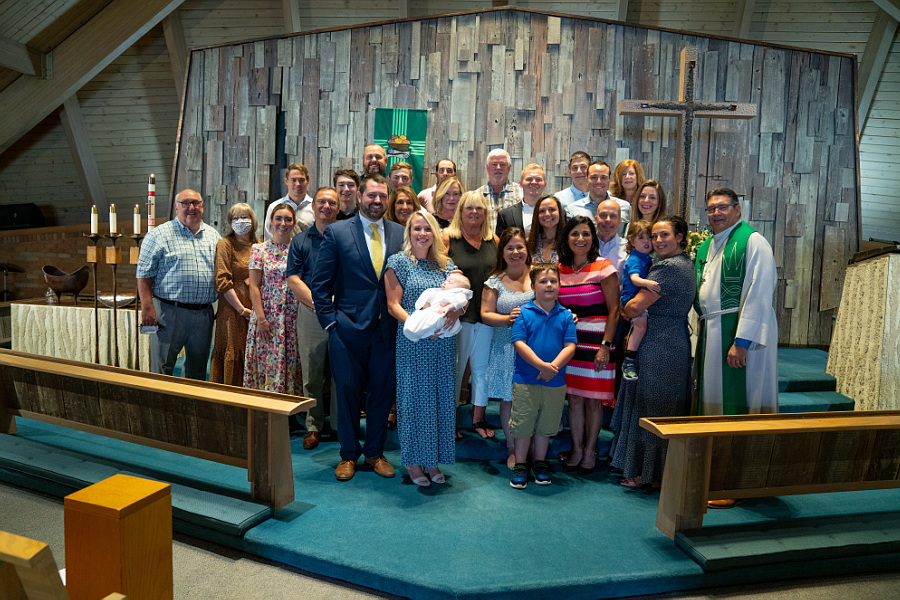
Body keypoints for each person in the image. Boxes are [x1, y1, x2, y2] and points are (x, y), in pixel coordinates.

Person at [310, 173, 403, 482]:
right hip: (346, 329)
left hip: (387, 330)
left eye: (382, 196)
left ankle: (375, 452)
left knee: (382, 393)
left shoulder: (400, 233)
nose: (377, 201)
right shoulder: (337, 232)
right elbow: (320, 285)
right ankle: (348, 454)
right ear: (360, 197)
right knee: (347, 391)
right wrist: (331, 323)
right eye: (371, 195)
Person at [611, 216, 695, 489]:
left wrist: (626, 309)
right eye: (654, 235)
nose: (658, 240)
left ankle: (647, 474)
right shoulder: (684, 263)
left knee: (651, 407)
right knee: (663, 405)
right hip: (673, 340)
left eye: (664, 235)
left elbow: (634, 307)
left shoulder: (668, 268)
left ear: (679, 237)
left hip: (659, 343)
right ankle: (657, 471)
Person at [385, 211, 464, 486]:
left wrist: (457, 311)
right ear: (409, 232)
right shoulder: (398, 262)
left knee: (440, 398)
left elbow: (461, 296)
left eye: (427, 229)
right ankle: (412, 461)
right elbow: (393, 305)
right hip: (414, 341)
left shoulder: (446, 264)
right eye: (417, 228)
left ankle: (432, 460)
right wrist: (421, 326)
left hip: (443, 342)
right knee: (414, 400)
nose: (422, 233)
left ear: (434, 233)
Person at [695, 188, 778, 417]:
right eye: (711, 208)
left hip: (740, 333)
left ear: (737, 210)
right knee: (712, 394)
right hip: (711, 331)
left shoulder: (753, 241)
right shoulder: (707, 245)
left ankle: (741, 439)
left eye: (723, 207)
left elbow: (760, 292)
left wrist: (742, 342)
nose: (716, 213)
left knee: (742, 394)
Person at [557, 216, 620, 473]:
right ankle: (577, 448)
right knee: (573, 399)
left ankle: (591, 449)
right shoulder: (560, 269)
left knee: (593, 401)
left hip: (597, 342)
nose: (580, 239)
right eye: (575, 233)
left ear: (593, 238)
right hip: (570, 343)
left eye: (585, 233)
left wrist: (605, 345)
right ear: (567, 238)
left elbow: (615, 310)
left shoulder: (603, 267)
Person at [136, 189, 220, 379]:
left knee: (197, 371)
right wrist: (147, 308)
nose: (191, 207)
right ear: (176, 207)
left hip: (203, 314)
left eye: (196, 203)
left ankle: (192, 400)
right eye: (185, 203)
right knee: (163, 369)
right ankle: (159, 400)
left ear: (202, 207)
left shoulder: (213, 236)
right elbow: (143, 275)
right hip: (169, 312)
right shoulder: (158, 235)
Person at [508, 264, 577, 489]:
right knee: (523, 423)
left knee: (546, 425)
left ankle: (540, 462)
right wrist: (541, 366)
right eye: (543, 281)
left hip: (555, 381)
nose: (549, 285)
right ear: (533, 286)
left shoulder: (566, 316)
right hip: (526, 379)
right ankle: (520, 464)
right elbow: (519, 342)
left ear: (560, 285)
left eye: (553, 281)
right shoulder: (524, 313)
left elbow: (570, 345)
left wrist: (553, 367)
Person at [286, 187, 340, 450]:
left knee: (342, 372)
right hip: (311, 311)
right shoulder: (300, 240)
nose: (326, 206)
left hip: (342, 311)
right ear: (314, 206)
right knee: (312, 372)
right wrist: (319, 303)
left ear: (338, 208)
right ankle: (313, 426)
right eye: (322, 201)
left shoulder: (347, 237)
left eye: (332, 202)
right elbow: (293, 278)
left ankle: (340, 425)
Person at [442, 192, 499, 438]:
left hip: (486, 317)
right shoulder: (448, 238)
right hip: (458, 317)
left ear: (485, 213)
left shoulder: (493, 240)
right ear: (460, 211)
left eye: (479, 208)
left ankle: (478, 419)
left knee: (481, 371)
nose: (474, 212)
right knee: (455, 372)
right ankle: (449, 421)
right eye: (469, 208)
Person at [481, 227, 534, 468]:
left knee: (532, 398)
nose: (515, 252)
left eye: (520, 247)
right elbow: (485, 314)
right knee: (509, 399)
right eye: (510, 248)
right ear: (502, 252)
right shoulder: (494, 281)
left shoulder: (539, 274)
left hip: (536, 347)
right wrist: (507, 319)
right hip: (506, 347)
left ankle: (530, 446)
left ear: (527, 250)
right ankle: (512, 447)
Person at [243, 204, 298, 394]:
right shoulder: (259, 249)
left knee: (291, 361)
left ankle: (289, 405)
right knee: (266, 360)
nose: (283, 223)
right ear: (271, 222)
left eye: (288, 219)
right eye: (279, 218)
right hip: (267, 314)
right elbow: (254, 286)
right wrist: (261, 318)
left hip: (291, 315)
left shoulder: (298, 248)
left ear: (294, 223)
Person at [210, 203, 258, 386]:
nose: (240, 221)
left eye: (244, 217)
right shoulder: (226, 244)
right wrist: (241, 310)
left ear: (252, 220)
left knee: (252, 350)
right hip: (233, 308)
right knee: (233, 349)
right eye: (235, 218)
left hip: (255, 307)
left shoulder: (259, 245)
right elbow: (221, 281)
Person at [619, 220, 658, 381]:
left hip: (638, 297)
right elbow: (634, 278)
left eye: (649, 237)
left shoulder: (646, 258)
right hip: (631, 298)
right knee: (640, 326)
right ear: (631, 240)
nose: (646, 241)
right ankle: (628, 361)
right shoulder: (635, 259)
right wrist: (647, 283)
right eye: (641, 238)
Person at [403, 272, 472, 342]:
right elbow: (428, 301)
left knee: (431, 323)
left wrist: (450, 307)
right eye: (446, 281)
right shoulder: (440, 292)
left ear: (459, 288)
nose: (445, 283)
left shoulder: (458, 293)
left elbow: (462, 301)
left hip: (443, 314)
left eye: (450, 282)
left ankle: (416, 332)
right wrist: (425, 308)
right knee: (420, 319)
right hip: (433, 311)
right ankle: (415, 331)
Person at [566, 161, 629, 236]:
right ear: (587, 179)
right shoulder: (572, 210)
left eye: (603, 177)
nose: (599, 181)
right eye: (594, 177)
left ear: (609, 180)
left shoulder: (625, 207)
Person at [476, 148, 523, 232]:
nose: (498, 168)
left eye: (502, 164)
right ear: (487, 167)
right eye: (494, 164)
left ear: (509, 168)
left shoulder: (521, 193)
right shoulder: (477, 195)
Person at [495, 163, 546, 237]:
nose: (534, 182)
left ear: (545, 184)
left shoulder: (555, 214)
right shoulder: (505, 215)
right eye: (529, 179)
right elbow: (501, 243)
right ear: (520, 183)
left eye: (538, 179)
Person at [264, 164, 313, 239]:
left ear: (308, 181)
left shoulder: (315, 208)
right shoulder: (274, 207)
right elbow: (268, 237)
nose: (297, 184)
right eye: (293, 180)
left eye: (301, 180)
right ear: (286, 181)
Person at [526, 195, 564, 264]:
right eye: (542, 211)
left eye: (552, 209)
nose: (547, 214)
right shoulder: (528, 243)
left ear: (560, 212)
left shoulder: (569, 242)